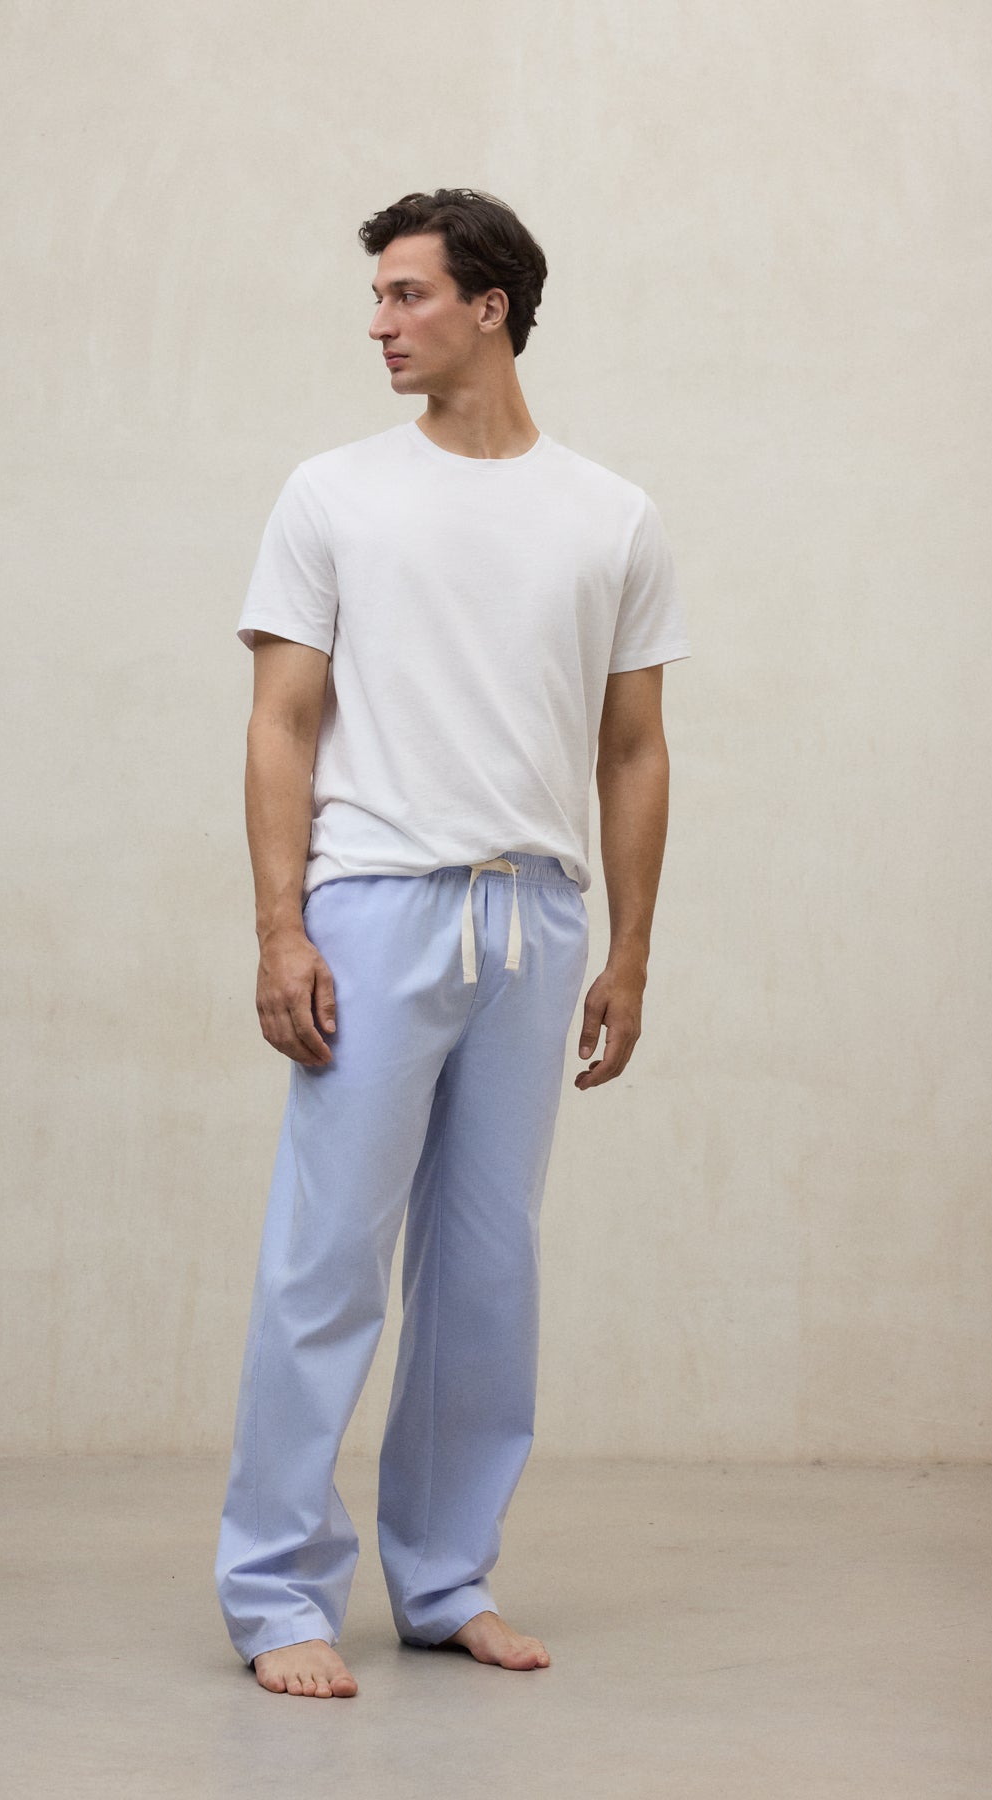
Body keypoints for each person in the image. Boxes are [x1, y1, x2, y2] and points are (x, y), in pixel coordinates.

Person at [214, 187, 691, 1699]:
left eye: (406, 293)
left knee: (487, 1275)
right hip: (373, 905)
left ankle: (442, 1577)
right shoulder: (332, 495)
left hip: (532, 917)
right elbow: (281, 722)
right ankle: (277, 1591)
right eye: (377, 294)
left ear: (490, 307)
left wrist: (627, 951)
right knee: (325, 1266)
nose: (379, 322)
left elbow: (633, 749)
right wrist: (281, 926)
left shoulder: (610, 515)